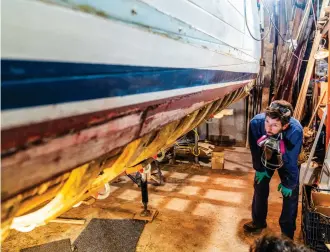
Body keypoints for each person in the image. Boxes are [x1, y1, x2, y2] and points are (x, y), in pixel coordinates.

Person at [243, 100, 303, 239]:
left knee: (290, 194)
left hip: (287, 157)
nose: (269, 128)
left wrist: (289, 183)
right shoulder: (256, 123)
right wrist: (259, 168)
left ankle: (287, 233)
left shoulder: (295, 130)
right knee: (260, 186)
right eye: (267, 122)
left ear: (285, 125)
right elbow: (254, 148)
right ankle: (258, 222)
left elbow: (291, 160)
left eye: (275, 125)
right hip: (266, 154)